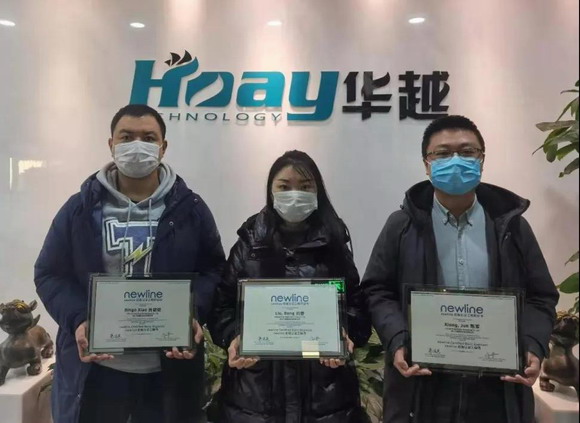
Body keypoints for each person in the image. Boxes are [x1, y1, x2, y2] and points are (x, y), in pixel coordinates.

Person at [34, 104, 225, 423]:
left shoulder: (191, 209)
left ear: (163, 147)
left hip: (169, 372)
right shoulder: (80, 209)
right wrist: (79, 318)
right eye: (126, 137)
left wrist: (192, 312)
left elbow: (214, 270)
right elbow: (49, 273)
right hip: (97, 370)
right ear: (111, 145)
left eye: (148, 138)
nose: (137, 146)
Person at [362, 115, 559, 423]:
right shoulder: (401, 226)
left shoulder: (512, 227)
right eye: (442, 153)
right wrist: (398, 338)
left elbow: (541, 295)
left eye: (467, 152)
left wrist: (532, 343)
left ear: (482, 160)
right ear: (427, 164)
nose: (455, 161)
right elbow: (377, 290)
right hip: (424, 386)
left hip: (496, 389)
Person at [208, 150, 372, 423]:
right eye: (284, 187)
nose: (295, 195)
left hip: (325, 399)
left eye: (305, 187)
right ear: (271, 191)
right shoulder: (249, 244)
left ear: (317, 191)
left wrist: (344, 336)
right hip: (255, 397)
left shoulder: (334, 243)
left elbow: (357, 306)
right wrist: (235, 337)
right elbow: (222, 306)